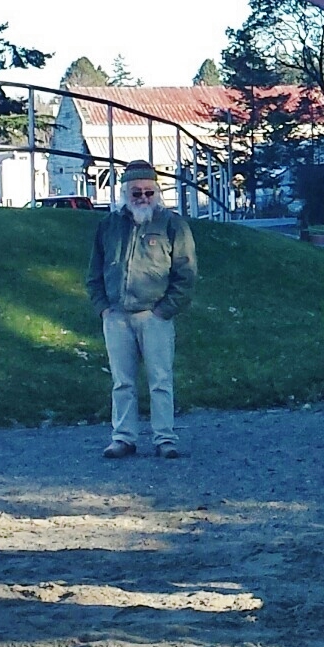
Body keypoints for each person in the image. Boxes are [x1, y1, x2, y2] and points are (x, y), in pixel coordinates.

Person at [89, 159, 196, 459]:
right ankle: (123, 437)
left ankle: (165, 438)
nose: (143, 199)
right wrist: (103, 308)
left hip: (155, 315)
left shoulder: (173, 225)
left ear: (157, 192)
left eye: (149, 193)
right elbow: (93, 272)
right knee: (122, 381)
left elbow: (186, 274)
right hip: (117, 315)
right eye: (136, 193)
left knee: (160, 380)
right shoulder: (108, 226)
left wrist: (165, 309)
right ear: (125, 193)